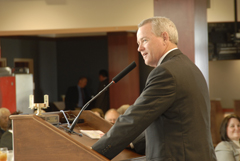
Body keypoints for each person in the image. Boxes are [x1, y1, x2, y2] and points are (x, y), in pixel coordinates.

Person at [92, 16, 216, 160]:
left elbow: (134, 118)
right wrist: (132, 142)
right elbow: (170, 123)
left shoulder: (166, 72)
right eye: (138, 43)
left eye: (144, 40)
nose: (139, 48)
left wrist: (94, 153)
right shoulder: (189, 67)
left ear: (164, 37)